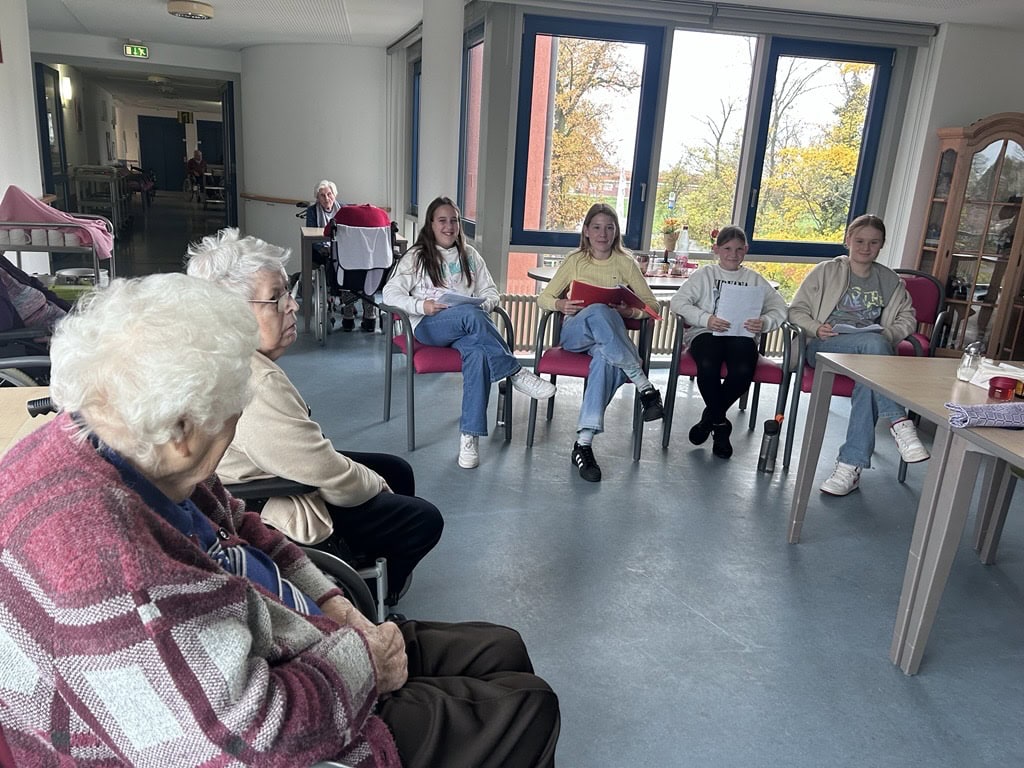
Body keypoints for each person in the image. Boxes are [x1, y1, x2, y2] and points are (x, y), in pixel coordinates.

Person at [0, 272, 559, 767]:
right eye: (232, 411)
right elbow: (247, 739)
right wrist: (365, 662)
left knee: (501, 648)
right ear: (183, 429)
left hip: (285, 640)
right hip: (277, 717)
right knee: (529, 708)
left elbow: (240, 523)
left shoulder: (124, 438)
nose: (239, 418)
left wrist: (334, 600)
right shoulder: (111, 571)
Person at [187, 228, 442, 606]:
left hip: (270, 473)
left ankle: (375, 563)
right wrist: (373, 484)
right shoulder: (253, 380)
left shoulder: (220, 355)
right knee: (423, 519)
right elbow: (319, 469)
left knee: (397, 469)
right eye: (276, 298)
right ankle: (365, 595)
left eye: (287, 292)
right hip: (271, 498)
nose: (292, 305)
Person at [382, 196, 557, 469]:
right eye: (442, 220)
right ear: (430, 224)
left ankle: (469, 436)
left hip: (467, 328)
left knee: (476, 352)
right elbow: (390, 294)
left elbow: (490, 293)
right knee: (470, 315)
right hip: (430, 326)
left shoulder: (470, 255)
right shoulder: (416, 257)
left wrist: (483, 304)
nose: (449, 226)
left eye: (454, 220)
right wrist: (421, 305)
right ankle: (514, 371)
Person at [788, 214, 929, 496]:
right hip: (825, 347)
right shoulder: (826, 272)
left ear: (882, 245)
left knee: (871, 372)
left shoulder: (889, 279)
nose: (866, 248)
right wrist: (817, 327)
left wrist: (887, 336)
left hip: (869, 357)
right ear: (848, 240)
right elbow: (795, 310)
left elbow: (907, 319)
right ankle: (899, 423)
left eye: (873, 242)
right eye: (860, 241)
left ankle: (850, 467)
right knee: (875, 350)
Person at [536, 203, 665, 482]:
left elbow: (652, 306)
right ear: (586, 231)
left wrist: (631, 312)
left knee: (606, 359)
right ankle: (643, 384)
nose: (603, 233)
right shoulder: (575, 261)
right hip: (574, 333)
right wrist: (560, 303)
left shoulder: (625, 263)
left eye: (609, 227)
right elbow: (543, 298)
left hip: (605, 343)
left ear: (616, 231)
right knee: (596, 310)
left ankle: (583, 443)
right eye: (596, 227)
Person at [669, 225, 787, 459]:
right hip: (705, 333)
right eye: (727, 248)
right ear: (716, 249)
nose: (733, 254)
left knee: (743, 369)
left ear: (746, 250)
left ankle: (710, 420)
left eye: (739, 249)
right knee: (708, 365)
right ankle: (722, 427)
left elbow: (780, 308)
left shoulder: (754, 279)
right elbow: (678, 303)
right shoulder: (704, 275)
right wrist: (706, 319)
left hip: (741, 336)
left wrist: (764, 322)